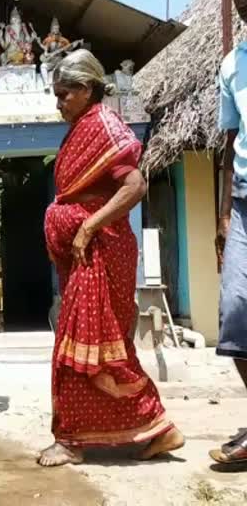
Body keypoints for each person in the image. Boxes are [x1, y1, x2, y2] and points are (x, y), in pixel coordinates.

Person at [39, 50, 185, 466]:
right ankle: (158, 429)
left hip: (101, 251)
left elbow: (135, 185)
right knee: (103, 350)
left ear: (87, 89)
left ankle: (72, 441)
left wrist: (87, 226)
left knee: (81, 350)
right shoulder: (84, 126)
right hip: (90, 255)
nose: (59, 102)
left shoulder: (104, 125)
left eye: (64, 94)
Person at [210, 0, 247, 466]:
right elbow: (229, 139)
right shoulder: (232, 65)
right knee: (235, 311)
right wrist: (223, 215)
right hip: (243, 201)